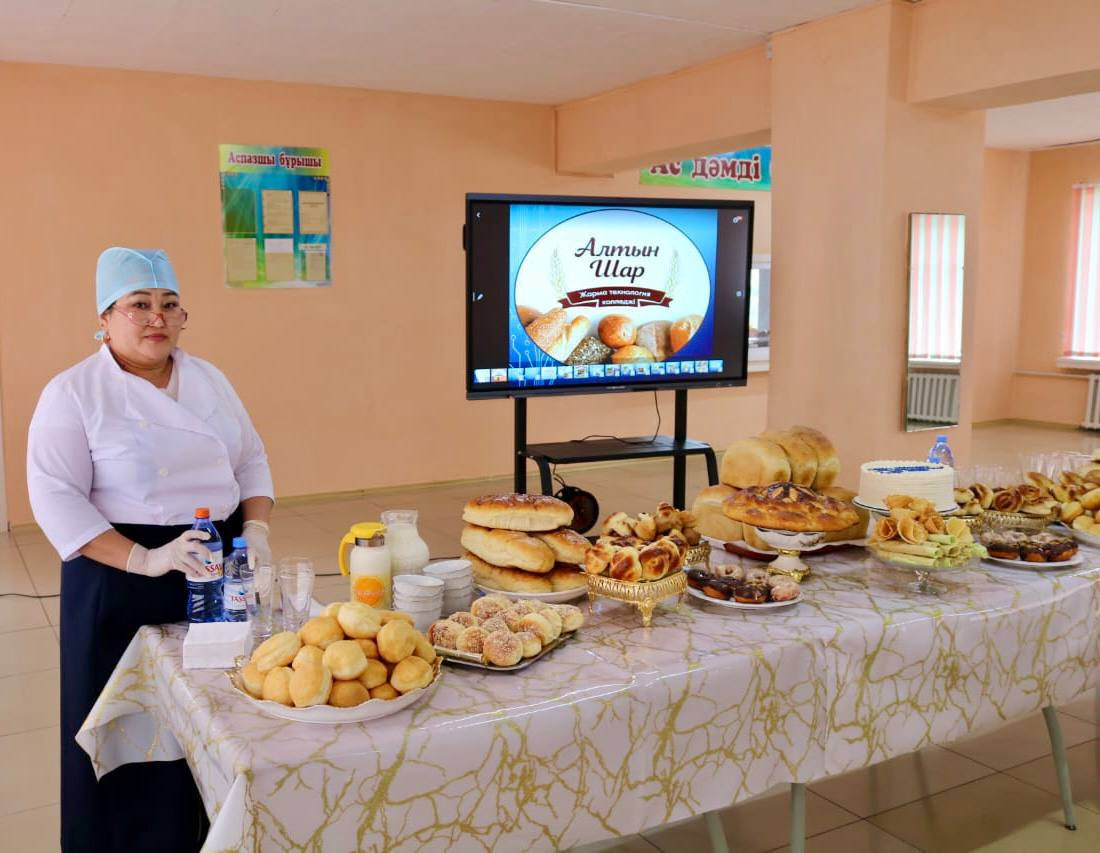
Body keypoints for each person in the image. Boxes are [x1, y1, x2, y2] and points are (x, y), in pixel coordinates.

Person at [26, 247, 275, 852]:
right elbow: (56, 498)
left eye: (169, 304)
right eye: (138, 304)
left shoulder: (209, 379)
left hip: (213, 567)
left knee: (213, 714)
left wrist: (257, 530)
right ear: (105, 318)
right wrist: (146, 559)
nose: (156, 317)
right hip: (119, 577)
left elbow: (250, 458)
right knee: (128, 727)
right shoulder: (74, 393)